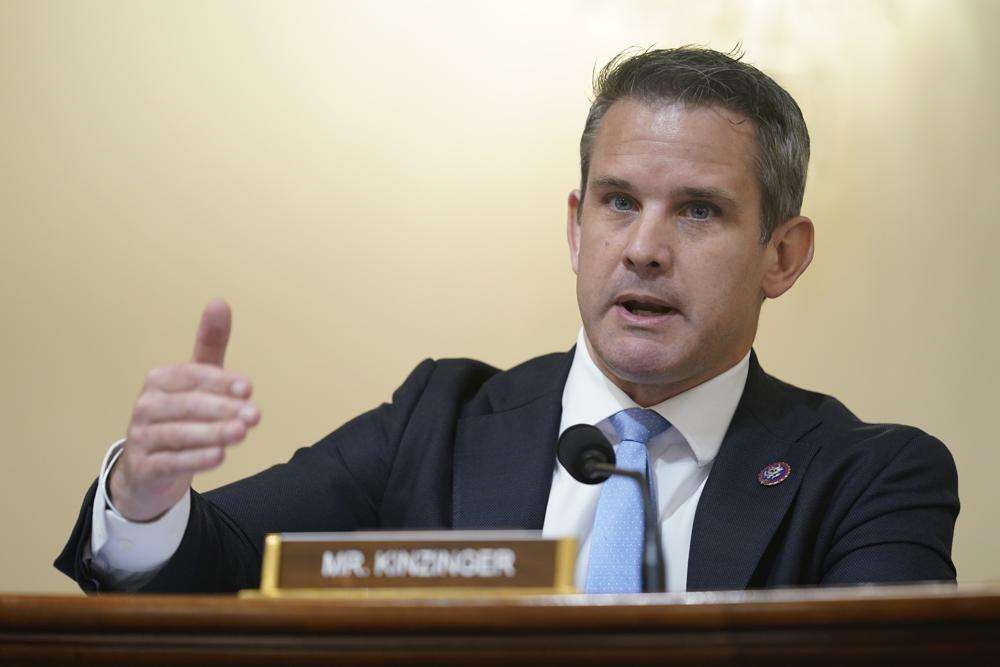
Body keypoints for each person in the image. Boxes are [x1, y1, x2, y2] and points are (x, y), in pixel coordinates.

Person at [55, 47, 959, 594]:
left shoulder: (870, 477)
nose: (643, 248)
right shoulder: (438, 421)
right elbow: (220, 561)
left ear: (783, 255)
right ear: (575, 226)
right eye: (617, 202)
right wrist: (142, 495)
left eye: (698, 211)